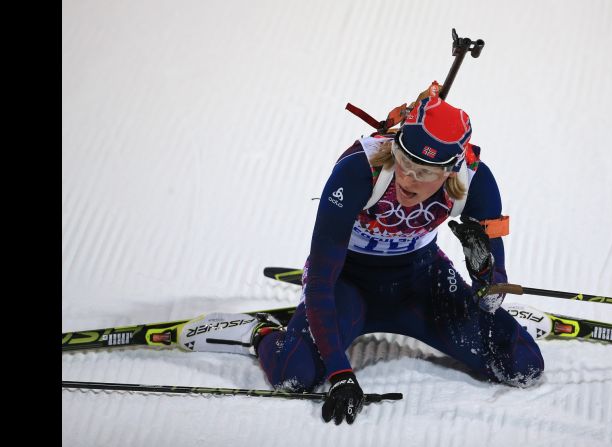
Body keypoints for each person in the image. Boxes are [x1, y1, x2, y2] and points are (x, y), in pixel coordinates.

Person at [177, 82, 545, 425]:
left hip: (421, 283)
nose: (406, 179)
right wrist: (340, 374)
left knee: (523, 367)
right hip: (347, 285)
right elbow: (320, 280)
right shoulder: (359, 170)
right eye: (403, 161)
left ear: (450, 172)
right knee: (293, 374)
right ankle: (258, 333)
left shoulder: (476, 180)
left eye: (423, 172)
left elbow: (494, 276)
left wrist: (487, 281)